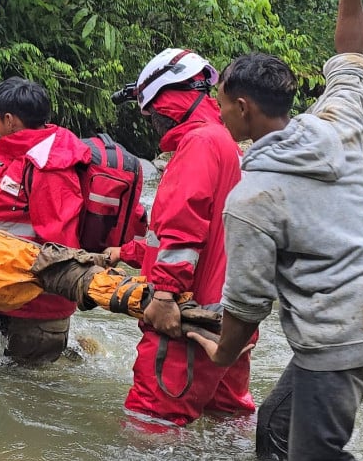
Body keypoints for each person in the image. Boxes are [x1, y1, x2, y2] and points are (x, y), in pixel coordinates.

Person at [189, 0, 363, 461]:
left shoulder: (253, 198)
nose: (216, 112)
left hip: (343, 330)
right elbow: (351, 62)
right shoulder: (333, 124)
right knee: (274, 428)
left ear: (243, 108)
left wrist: (221, 352)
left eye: (221, 103)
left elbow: (246, 305)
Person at [106, 48, 255, 427]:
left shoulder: (199, 143)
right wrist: (126, 251)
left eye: (151, 112)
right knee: (227, 425)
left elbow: (184, 226)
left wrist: (166, 297)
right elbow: (206, 234)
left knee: (151, 426)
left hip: (190, 322)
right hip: (231, 321)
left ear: (169, 102)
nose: (151, 122)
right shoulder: (226, 143)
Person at [0, 77, 92, 365]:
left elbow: (62, 244)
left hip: (35, 310)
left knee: (23, 395)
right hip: (13, 298)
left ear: (10, 120)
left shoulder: (50, 167)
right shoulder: (29, 156)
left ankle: (72, 353)